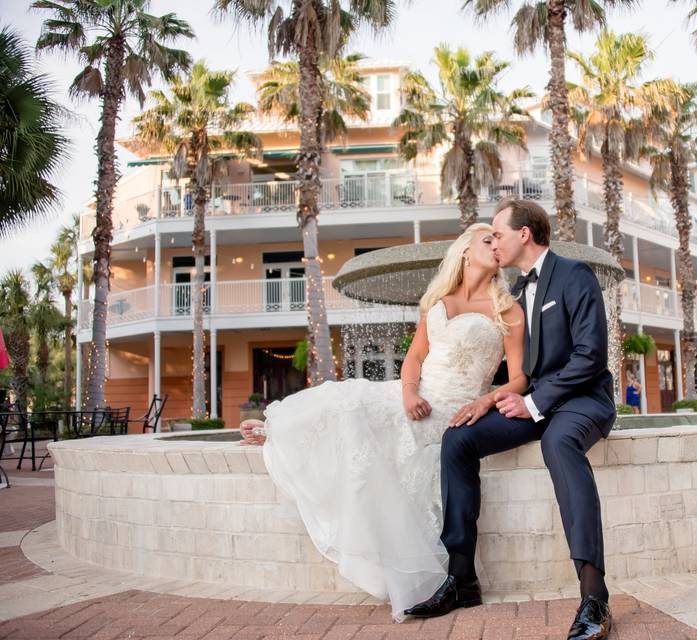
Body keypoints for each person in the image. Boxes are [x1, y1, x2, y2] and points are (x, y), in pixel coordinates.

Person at [238, 223, 527, 621]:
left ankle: (450, 579)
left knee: (387, 438)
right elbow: (414, 358)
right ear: (464, 251)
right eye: (487, 239)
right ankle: (278, 431)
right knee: (348, 399)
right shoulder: (438, 301)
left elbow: (519, 378)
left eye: (499, 241)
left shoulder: (507, 309)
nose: (496, 246)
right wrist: (409, 392)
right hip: (416, 394)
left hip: (457, 407)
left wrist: (486, 400)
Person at [404, 198, 617, 640]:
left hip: (582, 400)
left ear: (524, 234)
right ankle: (461, 580)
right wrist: (489, 400)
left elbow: (590, 357)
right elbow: (518, 373)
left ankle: (594, 596)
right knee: (458, 439)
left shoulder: (575, 276)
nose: (493, 242)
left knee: (558, 443)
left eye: (497, 233)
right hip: (533, 403)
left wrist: (534, 404)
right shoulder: (514, 298)